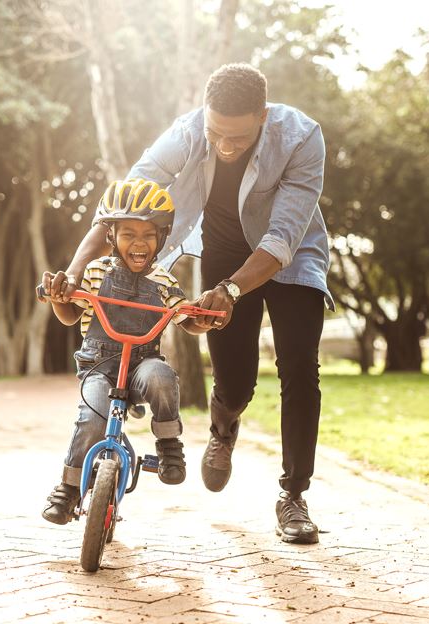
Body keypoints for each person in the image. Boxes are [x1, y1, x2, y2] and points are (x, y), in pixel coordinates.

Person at [50, 63, 332, 544]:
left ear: (262, 116)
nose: (225, 146)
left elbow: (282, 236)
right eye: (216, 133)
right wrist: (75, 270)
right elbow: (125, 203)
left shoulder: (302, 138)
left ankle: (293, 495)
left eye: (238, 138)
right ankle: (224, 425)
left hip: (291, 254)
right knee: (236, 381)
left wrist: (233, 291)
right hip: (224, 249)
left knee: (300, 366)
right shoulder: (186, 132)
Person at [40, 178, 209, 525]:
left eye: (148, 235)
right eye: (128, 233)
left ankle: (168, 445)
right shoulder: (94, 271)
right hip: (99, 366)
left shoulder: (163, 281)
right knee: (93, 417)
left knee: (162, 377)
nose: (139, 242)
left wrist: (202, 320)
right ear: (111, 237)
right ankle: (69, 489)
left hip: (141, 366)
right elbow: (71, 314)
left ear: (161, 239)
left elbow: (184, 317)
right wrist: (59, 299)